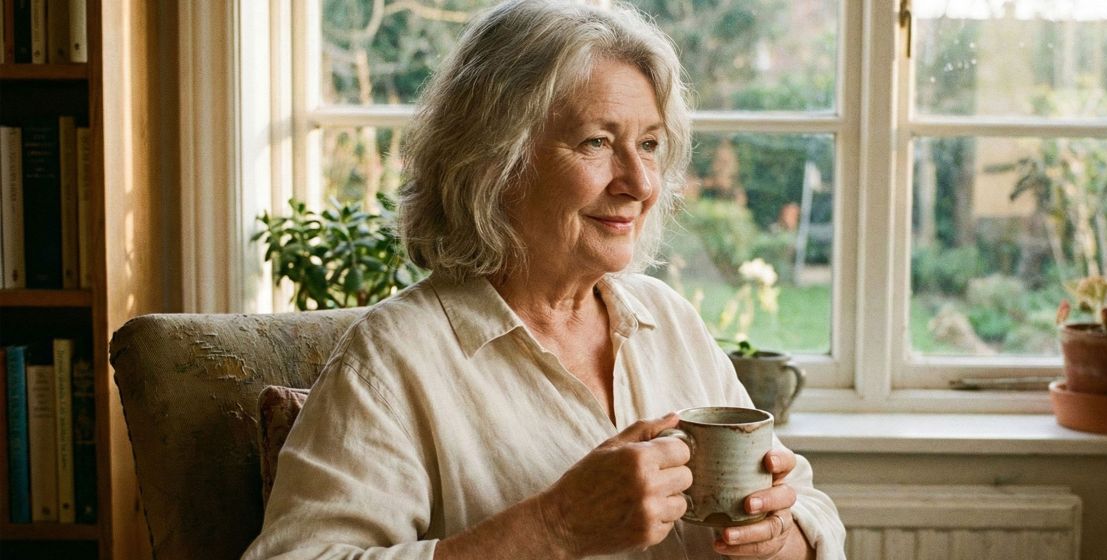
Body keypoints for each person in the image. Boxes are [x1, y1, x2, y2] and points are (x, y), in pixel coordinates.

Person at [242, 1, 845, 558]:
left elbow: (807, 505)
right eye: (597, 142)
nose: (639, 182)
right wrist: (555, 526)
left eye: (651, 144)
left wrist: (775, 535)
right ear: (494, 163)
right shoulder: (393, 360)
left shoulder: (669, 320)